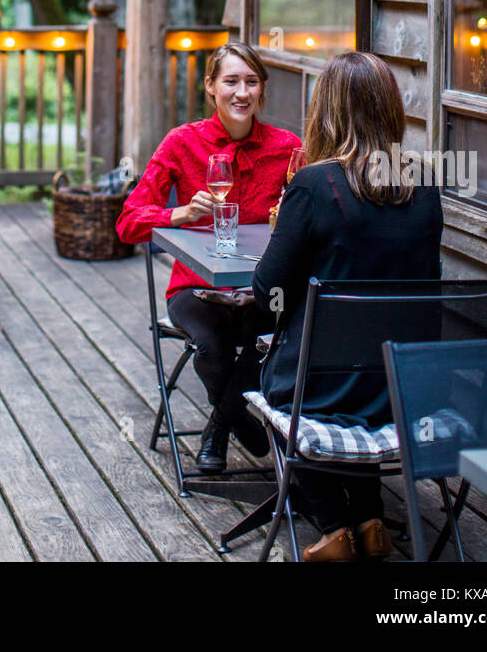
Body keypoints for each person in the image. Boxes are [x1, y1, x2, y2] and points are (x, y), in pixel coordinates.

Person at [252, 51, 443, 562]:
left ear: (325, 111)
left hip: (320, 389)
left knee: (275, 370)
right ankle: (370, 517)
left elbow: (269, 289)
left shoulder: (313, 184)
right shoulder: (425, 185)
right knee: (355, 366)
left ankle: (334, 525)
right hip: (403, 388)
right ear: (391, 110)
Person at [116, 42, 301, 472]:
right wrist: (179, 214)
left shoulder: (287, 147)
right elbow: (128, 222)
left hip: (261, 290)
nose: (242, 92)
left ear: (262, 90)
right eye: (231, 81)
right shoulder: (182, 142)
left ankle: (219, 426)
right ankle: (242, 424)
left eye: (251, 82)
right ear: (210, 88)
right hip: (196, 289)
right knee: (213, 347)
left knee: (272, 339)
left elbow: (307, 215)